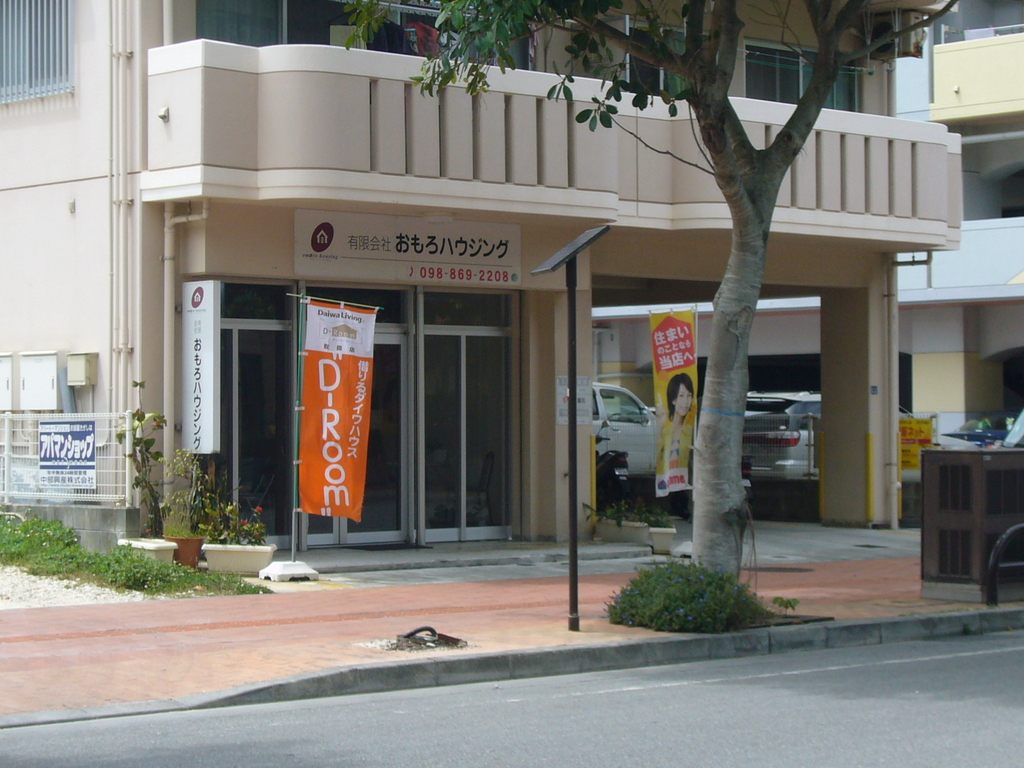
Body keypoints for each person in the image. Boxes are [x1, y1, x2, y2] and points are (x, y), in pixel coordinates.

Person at [656, 372, 696, 480]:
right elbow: (658, 461)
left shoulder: (692, 431)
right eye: (681, 395)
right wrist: (660, 426)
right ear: (673, 399)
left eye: (689, 395)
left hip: (687, 483)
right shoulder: (665, 431)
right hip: (667, 483)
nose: (686, 402)